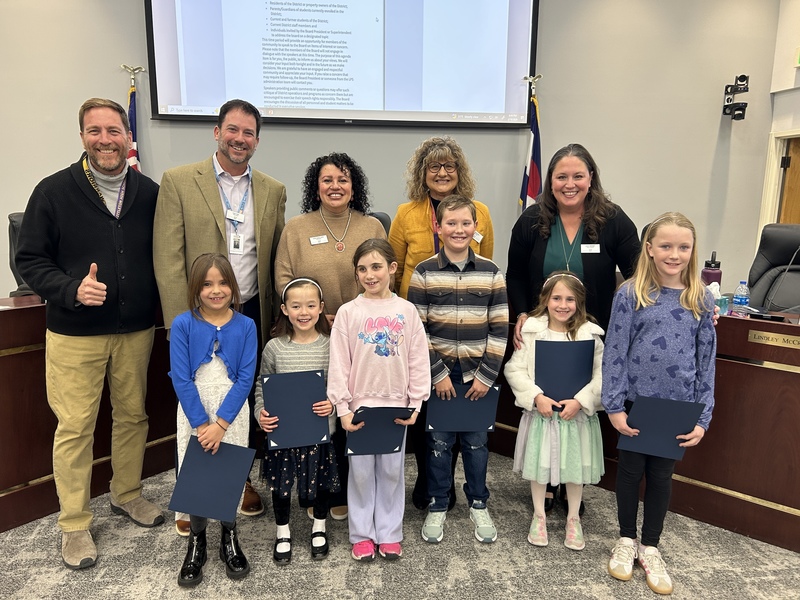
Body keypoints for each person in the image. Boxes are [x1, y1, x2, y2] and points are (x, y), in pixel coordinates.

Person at [15, 98, 164, 570]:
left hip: (136, 329)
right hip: (75, 333)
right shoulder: (54, 191)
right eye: (95, 131)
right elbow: (29, 260)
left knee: (132, 417)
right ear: (82, 136)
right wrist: (70, 289)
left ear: (128, 137)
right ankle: (74, 524)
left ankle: (127, 494)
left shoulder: (149, 192)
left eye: (114, 131)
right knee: (76, 427)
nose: (105, 139)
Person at [154, 99, 286, 527]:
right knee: (196, 397)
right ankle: (192, 488)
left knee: (241, 399)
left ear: (257, 141)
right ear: (217, 132)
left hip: (249, 313)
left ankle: (239, 480)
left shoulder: (272, 189)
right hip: (197, 314)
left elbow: (274, 257)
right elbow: (168, 258)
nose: (239, 139)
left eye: (248, 133)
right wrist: (181, 324)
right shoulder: (178, 181)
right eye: (232, 130)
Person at [507, 142, 639, 512]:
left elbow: (638, 274)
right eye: (561, 176)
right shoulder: (532, 221)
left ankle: (569, 481)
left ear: (591, 178)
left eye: (577, 176)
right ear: (549, 181)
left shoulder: (612, 220)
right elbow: (515, 274)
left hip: (589, 334)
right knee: (546, 406)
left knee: (577, 410)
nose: (569, 184)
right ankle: (546, 481)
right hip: (543, 334)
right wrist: (521, 314)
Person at [602, 212, 716, 596]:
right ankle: (626, 540)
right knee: (631, 472)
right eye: (665, 246)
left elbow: (706, 362)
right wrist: (614, 405)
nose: (674, 254)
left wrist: (703, 415)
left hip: (677, 408)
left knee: (662, 476)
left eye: (683, 247)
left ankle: (650, 546)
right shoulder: (630, 294)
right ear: (649, 249)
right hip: (636, 402)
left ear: (692, 250)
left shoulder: (700, 297)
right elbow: (615, 352)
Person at [274, 152, 386, 521]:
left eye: (343, 180)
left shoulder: (371, 226)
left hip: (363, 334)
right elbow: (283, 278)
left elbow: (383, 279)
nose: (335, 186)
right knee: (321, 408)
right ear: (316, 187)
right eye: (327, 180)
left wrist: (353, 315)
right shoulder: (296, 227)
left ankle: (349, 488)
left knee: (353, 407)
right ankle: (317, 489)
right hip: (313, 332)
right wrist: (317, 315)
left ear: (354, 188)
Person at [389, 136, 494, 510]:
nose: (442, 172)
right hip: (417, 328)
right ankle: (430, 481)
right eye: (433, 166)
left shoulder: (478, 210)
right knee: (425, 407)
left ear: (459, 170)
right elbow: (395, 269)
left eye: (449, 165)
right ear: (422, 172)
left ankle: (451, 485)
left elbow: (485, 264)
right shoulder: (406, 214)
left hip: (464, 332)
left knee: (459, 411)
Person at [407, 195, 508, 545]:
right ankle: (437, 503)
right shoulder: (422, 273)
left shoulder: (492, 273)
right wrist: (436, 374)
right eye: (451, 223)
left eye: (466, 223)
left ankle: (479, 502)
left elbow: (500, 329)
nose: (459, 230)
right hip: (442, 379)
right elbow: (417, 331)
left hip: (478, 379)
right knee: (438, 444)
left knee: (478, 445)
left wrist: (486, 376)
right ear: (438, 227)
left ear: (475, 227)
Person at [327, 239, 431, 561]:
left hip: (395, 407)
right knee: (359, 474)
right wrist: (342, 407)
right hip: (359, 408)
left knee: (390, 471)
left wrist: (415, 402)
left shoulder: (406, 311)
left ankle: (388, 533)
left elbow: (417, 358)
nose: (369, 275)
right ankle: (361, 534)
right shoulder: (348, 312)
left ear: (392, 268)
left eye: (376, 267)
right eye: (362, 269)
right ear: (356, 273)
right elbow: (339, 363)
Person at [169, 253, 256, 586]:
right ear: (196, 288)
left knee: (227, 474)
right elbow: (180, 377)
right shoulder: (183, 324)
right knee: (197, 475)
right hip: (195, 410)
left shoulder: (246, 326)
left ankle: (229, 537)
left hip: (230, 412)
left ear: (232, 287)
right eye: (207, 284)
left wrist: (220, 424)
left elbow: (246, 378)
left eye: (222, 283)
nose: (215, 290)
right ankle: (197, 541)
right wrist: (202, 423)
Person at [503, 271, 605, 551]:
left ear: (579, 302)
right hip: (543, 414)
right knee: (540, 466)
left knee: (574, 469)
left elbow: (601, 375)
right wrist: (536, 396)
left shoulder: (590, 334)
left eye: (570, 299)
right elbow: (514, 369)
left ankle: (573, 518)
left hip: (575, 416)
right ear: (545, 300)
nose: (563, 304)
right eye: (556, 298)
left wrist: (582, 401)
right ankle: (539, 515)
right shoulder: (533, 330)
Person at [255, 277, 340, 565]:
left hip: (321, 432)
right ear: (285, 309)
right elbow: (261, 386)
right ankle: (283, 531)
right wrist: (260, 413)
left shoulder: (331, 346)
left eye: (310, 305)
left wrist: (334, 405)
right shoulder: (274, 348)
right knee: (281, 485)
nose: (303, 312)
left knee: (323, 485)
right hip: (284, 432)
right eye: (296, 306)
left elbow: (341, 386)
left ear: (321, 308)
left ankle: (319, 526)